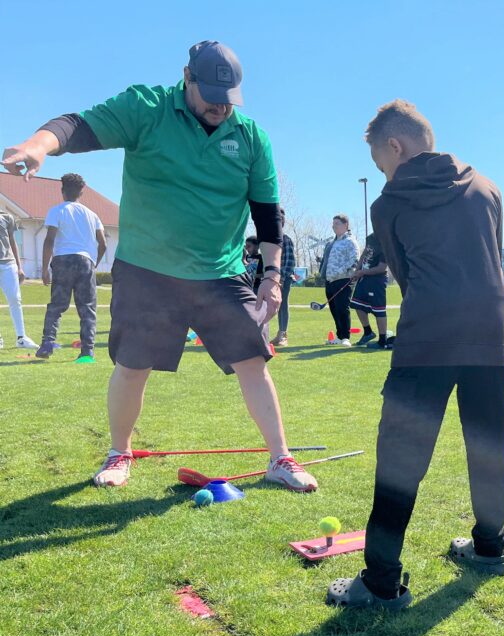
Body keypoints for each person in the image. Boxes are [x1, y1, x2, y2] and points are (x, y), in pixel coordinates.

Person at [1, 39, 317, 492]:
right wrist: (38, 146)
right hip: (147, 269)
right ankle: (119, 452)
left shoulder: (250, 137)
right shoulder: (146, 108)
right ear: (187, 78)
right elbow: (78, 125)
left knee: (253, 360)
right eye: (211, 95)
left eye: (228, 99)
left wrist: (272, 275)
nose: (220, 107)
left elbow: (268, 214)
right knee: (133, 366)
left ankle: (280, 459)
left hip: (220, 271)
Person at [327, 99, 504, 610]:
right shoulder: (487, 187)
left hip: (428, 336)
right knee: (487, 447)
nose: (382, 174)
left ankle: (381, 582)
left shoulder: (389, 202)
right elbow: (491, 260)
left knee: (400, 460)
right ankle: (490, 548)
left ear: (395, 146)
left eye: (379, 163)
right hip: (488, 332)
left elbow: (405, 278)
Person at [35, 173, 105, 362]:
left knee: (57, 306)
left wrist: (44, 269)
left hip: (63, 261)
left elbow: (49, 240)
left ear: (62, 191)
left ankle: (47, 346)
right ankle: (87, 352)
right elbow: (103, 244)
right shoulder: (92, 215)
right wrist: (93, 264)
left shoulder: (57, 211)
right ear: (82, 192)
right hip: (86, 262)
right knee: (87, 308)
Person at [318, 214, 360, 347]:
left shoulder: (350, 241)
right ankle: (339, 336)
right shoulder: (332, 242)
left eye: (337, 224)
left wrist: (341, 272)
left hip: (344, 279)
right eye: (333, 224)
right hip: (330, 280)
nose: (333, 226)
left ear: (345, 225)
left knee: (342, 308)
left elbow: (355, 261)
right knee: (334, 309)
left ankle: (346, 337)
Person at [0, 209, 38, 350]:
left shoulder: (7, 216)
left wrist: (19, 267)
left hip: (8, 264)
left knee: (15, 299)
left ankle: (21, 338)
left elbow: (12, 241)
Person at [350, 232, 392, 349]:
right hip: (364, 278)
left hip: (377, 280)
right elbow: (364, 254)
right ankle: (368, 332)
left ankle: (382, 340)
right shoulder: (371, 238)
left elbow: (381, 268)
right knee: (357, 304)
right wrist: (357, 271)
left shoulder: (386, 242)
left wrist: (362, 272)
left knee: (379, 309)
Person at [270, 208, 295, 346]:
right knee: (276, 306)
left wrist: (281, 279)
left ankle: (283, 334)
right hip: (272, 278)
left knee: (283, 305)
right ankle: (279, 333)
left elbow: (289, 262)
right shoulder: (270, 240)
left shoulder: (286, 240)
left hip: (283, 278)